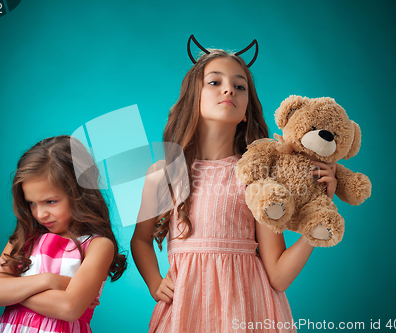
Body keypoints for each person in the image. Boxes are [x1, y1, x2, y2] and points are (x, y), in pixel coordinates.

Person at [131, 47, 337, 332]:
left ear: (245, 112)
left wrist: (317, 221)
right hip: (184, 313)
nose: (229, 90)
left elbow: (278, 276)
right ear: (193, 99)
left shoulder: (259, 179)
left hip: (248, 313)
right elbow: (140, 240)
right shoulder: (163, 174)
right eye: (215, 82)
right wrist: (155, 282)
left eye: (239, 86)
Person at [0, 135, 127, 333]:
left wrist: (10, 289)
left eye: (50, 201)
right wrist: (49, 281)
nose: (40, 214)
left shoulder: (97, 246)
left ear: (80, 192)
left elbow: (69, 308)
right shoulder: (25, 238)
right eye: (32, 203)